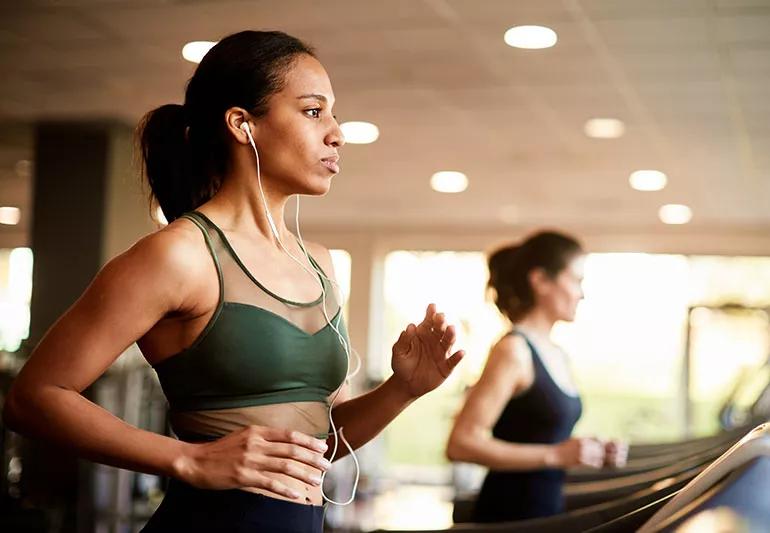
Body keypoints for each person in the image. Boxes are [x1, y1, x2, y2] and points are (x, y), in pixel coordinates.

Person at [2, 30, 464, 533]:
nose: (337, 132)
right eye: (313, 112)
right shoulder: (179, 254)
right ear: (243, 124)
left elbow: (319, 445)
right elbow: (34, 396)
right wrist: (187, 460)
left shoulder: (321, 264)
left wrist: (403, 390)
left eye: (333, 113)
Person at [446, 231, 626, 523]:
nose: (582, 293)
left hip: (546, 513)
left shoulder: (557, 353)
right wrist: (556, 455)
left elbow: (544, 437)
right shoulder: (513, 350)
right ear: (541, 280)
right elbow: (461, 443)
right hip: (508, 517)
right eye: (576, 280)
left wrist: (588, 452)